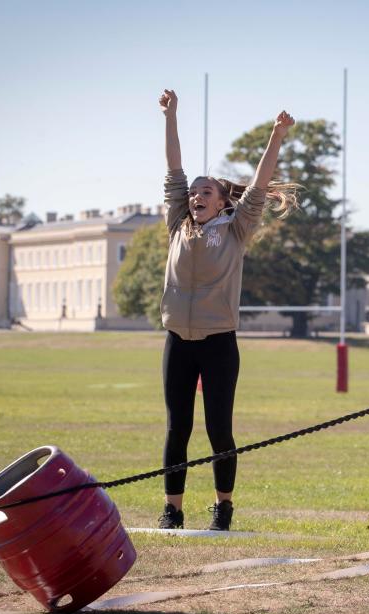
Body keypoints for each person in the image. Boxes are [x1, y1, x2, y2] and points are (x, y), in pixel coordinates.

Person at [156, 89, 298, 531]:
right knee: (177, 429)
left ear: (221, 202)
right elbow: (173, 168)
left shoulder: (236, 229)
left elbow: (258, 185)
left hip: (219, 342)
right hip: (178, 339)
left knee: (219, 429)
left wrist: (277, 135)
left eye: (206, 191)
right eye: (194, 191)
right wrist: (171, 115)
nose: (197, 194)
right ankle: (173, 511)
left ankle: (223, 508)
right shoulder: (178, 222)